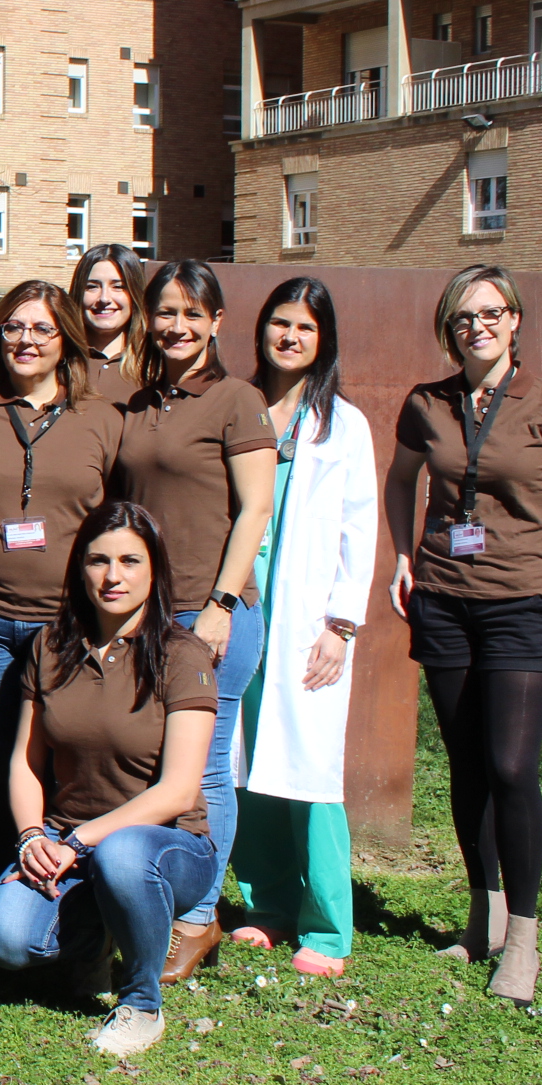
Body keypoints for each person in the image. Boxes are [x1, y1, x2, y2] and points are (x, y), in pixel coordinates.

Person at [386, 264, 542, 1006]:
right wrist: (406, 558)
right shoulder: (428, 403)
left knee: (512, 767)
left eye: (491, 313)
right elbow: (401, 480)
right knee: (468, 763)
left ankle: (526, 939)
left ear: (515, 321)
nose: (478, 326)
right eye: (464, 317)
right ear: (451, 329)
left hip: (524, 602)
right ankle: (483, 919)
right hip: (445, 601)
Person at [0, 501, 221, 1059]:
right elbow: (25, 762)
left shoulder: (183, 656)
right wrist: (31, 838)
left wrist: (77, 842)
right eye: (98, 561)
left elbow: (178, 791)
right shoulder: (49, 647)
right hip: (67, 844)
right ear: (78, 569)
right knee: (8, 941)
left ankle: (141, 1004)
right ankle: (94, 937)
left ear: (154, 570)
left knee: (124, 855)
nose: (113, 577)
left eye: (130, 561)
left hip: (164, 848)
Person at [110, 259, 274, 987]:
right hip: (142, 611)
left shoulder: (238, 400)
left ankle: (198, 916)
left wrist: (221, 603)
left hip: (206, 614)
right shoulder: (139, 403)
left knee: (205, 771)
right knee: (149, 762)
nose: (176, 326)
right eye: (164, 313)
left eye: (191, 314)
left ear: (216, 323)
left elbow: (256, 510)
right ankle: (146, 900)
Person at [232, 279, 375, 980]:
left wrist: (341, 626)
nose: (290, 337)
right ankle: (266, 904)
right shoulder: (238, 407)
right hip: (240, 609)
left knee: (309, 768)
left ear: (325, 342)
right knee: (247, 762)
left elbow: (359, 529)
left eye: (305, 328)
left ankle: (327, 927)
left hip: (308, 623)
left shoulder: (343, 424)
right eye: (280, 323)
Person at [0, 281, 121, 717]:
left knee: (60, 752)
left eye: (42, 329)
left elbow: (119, 521)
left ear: (68, 340)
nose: (26, 340)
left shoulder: (103, 419)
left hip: (68, 618)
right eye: (13, 328)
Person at [69, 242, 148, 399]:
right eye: (92, 286)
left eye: (118, 287)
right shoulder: (58, 360)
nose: (104, 298)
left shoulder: (155, 365)